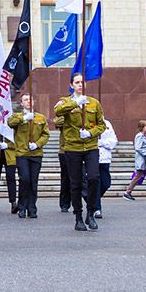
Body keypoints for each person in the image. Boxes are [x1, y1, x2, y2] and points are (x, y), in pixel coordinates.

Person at [51, 72, 104, 232]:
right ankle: (78, 217)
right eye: (77, 82)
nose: (80, 85)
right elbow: (58, 112)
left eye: (82, 82)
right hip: (72, 147)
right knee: (75, 183)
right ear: (71, 85)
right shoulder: (65, 101)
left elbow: (101, 125)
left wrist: (91, 133)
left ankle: (91, 212)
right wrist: (75, 104)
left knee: (94, 178)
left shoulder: (94, 103)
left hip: (90, 146)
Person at [6, 93, 49, 218]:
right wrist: (24, 118)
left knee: (33, 182)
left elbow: (45, 134)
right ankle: (22, 206)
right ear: (21, 103)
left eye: (30, 100)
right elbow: (10, 123)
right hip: (22, 153)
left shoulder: (40, 118)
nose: (28, 102)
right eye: (25, 100)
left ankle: (32, 208)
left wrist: (37, 144)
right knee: (24, 179)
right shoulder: (17, 116)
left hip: (36, 153)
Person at [123, 121, 146, 201]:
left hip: (145, 161)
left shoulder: (143, 136)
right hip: (142, 160)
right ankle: (127, 192)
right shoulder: (139, 136)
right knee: (138, 176)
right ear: (142, 127)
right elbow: (138, 147)